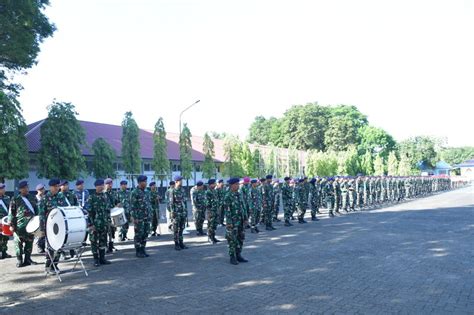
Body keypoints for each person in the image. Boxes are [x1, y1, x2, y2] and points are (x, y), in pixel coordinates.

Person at [39, 178, 68, 273]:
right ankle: (48, 266)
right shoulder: (45, 198)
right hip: (49, 227)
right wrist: (42, 229)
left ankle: (55, 265)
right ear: (50, 187)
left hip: (60, 227)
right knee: (50, 248)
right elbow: (42, 215)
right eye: (55, 186)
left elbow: (65, 210)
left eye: (58, 186)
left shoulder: (61, 197)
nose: (57, 188)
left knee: (60, 247)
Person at [8, 181, 39, 267]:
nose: (26, 189)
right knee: (18, 243)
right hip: (19, 226)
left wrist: (38, 221)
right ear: (20, 189)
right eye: (24, 188)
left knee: (29, 242)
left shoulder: (32, 198)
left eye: (27, 187)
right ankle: (19, 260)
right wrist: (11, 225)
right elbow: (11, 212)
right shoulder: (15, 199)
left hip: (31, 225)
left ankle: (27, 259)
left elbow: (36, 210)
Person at [224, 177, 248, 265]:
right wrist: (229, 223)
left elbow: (243, 207)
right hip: (233, 222)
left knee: (240, 238)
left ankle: (238, 254)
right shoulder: (228, 196)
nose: (238, 185)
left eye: (238, 184)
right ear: (232, 185)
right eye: (236, 184)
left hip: (240, 221)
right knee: (232, 239)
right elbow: (227, 211)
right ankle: (232, 257)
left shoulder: (239, 194)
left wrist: (245, 218)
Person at [87, 179, 111, 266]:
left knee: (103, 241)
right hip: (95, 224)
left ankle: (102, 258)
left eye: (103, 185)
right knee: (94, 242)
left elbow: (108, 210)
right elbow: (88, 212)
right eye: (101, 185)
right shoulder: (91, 197)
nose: (103, 186)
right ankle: (95, 259)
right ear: (97, 186)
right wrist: (90, 224)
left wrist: (108, 221)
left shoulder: (105, 196)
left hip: (103, 223)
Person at [130, 175, 151, 258]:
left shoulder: (146, 191)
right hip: (139, 218)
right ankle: (138, 251)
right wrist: (134, 218)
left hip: (146, 217)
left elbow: (148, 204)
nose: (146, 183)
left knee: (145, 234)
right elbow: (132, 206)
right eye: (144, 181)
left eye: (146, 181)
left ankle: (143, 249)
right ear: (140, 182)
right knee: (139, 234)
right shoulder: (134, 192)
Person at [170, 176, 188, 250]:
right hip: (176, 213)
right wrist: (172, 213)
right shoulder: (173, 191)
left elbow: (185, 202)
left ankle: (181, 243)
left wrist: (186, 211)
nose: (182, 182)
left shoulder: (182, 190)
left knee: (181, 228)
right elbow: (171, 203)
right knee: (176, 229)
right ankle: (176, 244)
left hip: (182, 212)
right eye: (180, 180)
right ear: (176, 181)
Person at [205, 179, 221, 243]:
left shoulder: (214, 191)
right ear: (210, 184)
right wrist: (211, 208)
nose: (215, 185)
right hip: (211, 211)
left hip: (215, 210)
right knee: (210, 225)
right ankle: (209, 237)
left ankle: (213, 237)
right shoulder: (207, 192)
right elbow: (207, 203)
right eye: (214, 184)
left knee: (214, 224)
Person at [0, 183, 12, 260]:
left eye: (4, 188)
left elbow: (10, 208)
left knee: (5, 237)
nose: (4, 190)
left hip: (5, 220)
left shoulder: (7, 198)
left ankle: (4, 252)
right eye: (2, 189)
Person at [35, 183, 46, 253]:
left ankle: (43, 246)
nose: (43, 191)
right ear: (38, 190)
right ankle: (39, 246)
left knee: (45, 233)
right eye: (41, 190)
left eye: (43, 189)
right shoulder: (35, 198)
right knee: (39, 233)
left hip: (45, 217)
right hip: (37, 217)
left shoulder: (45, 198)